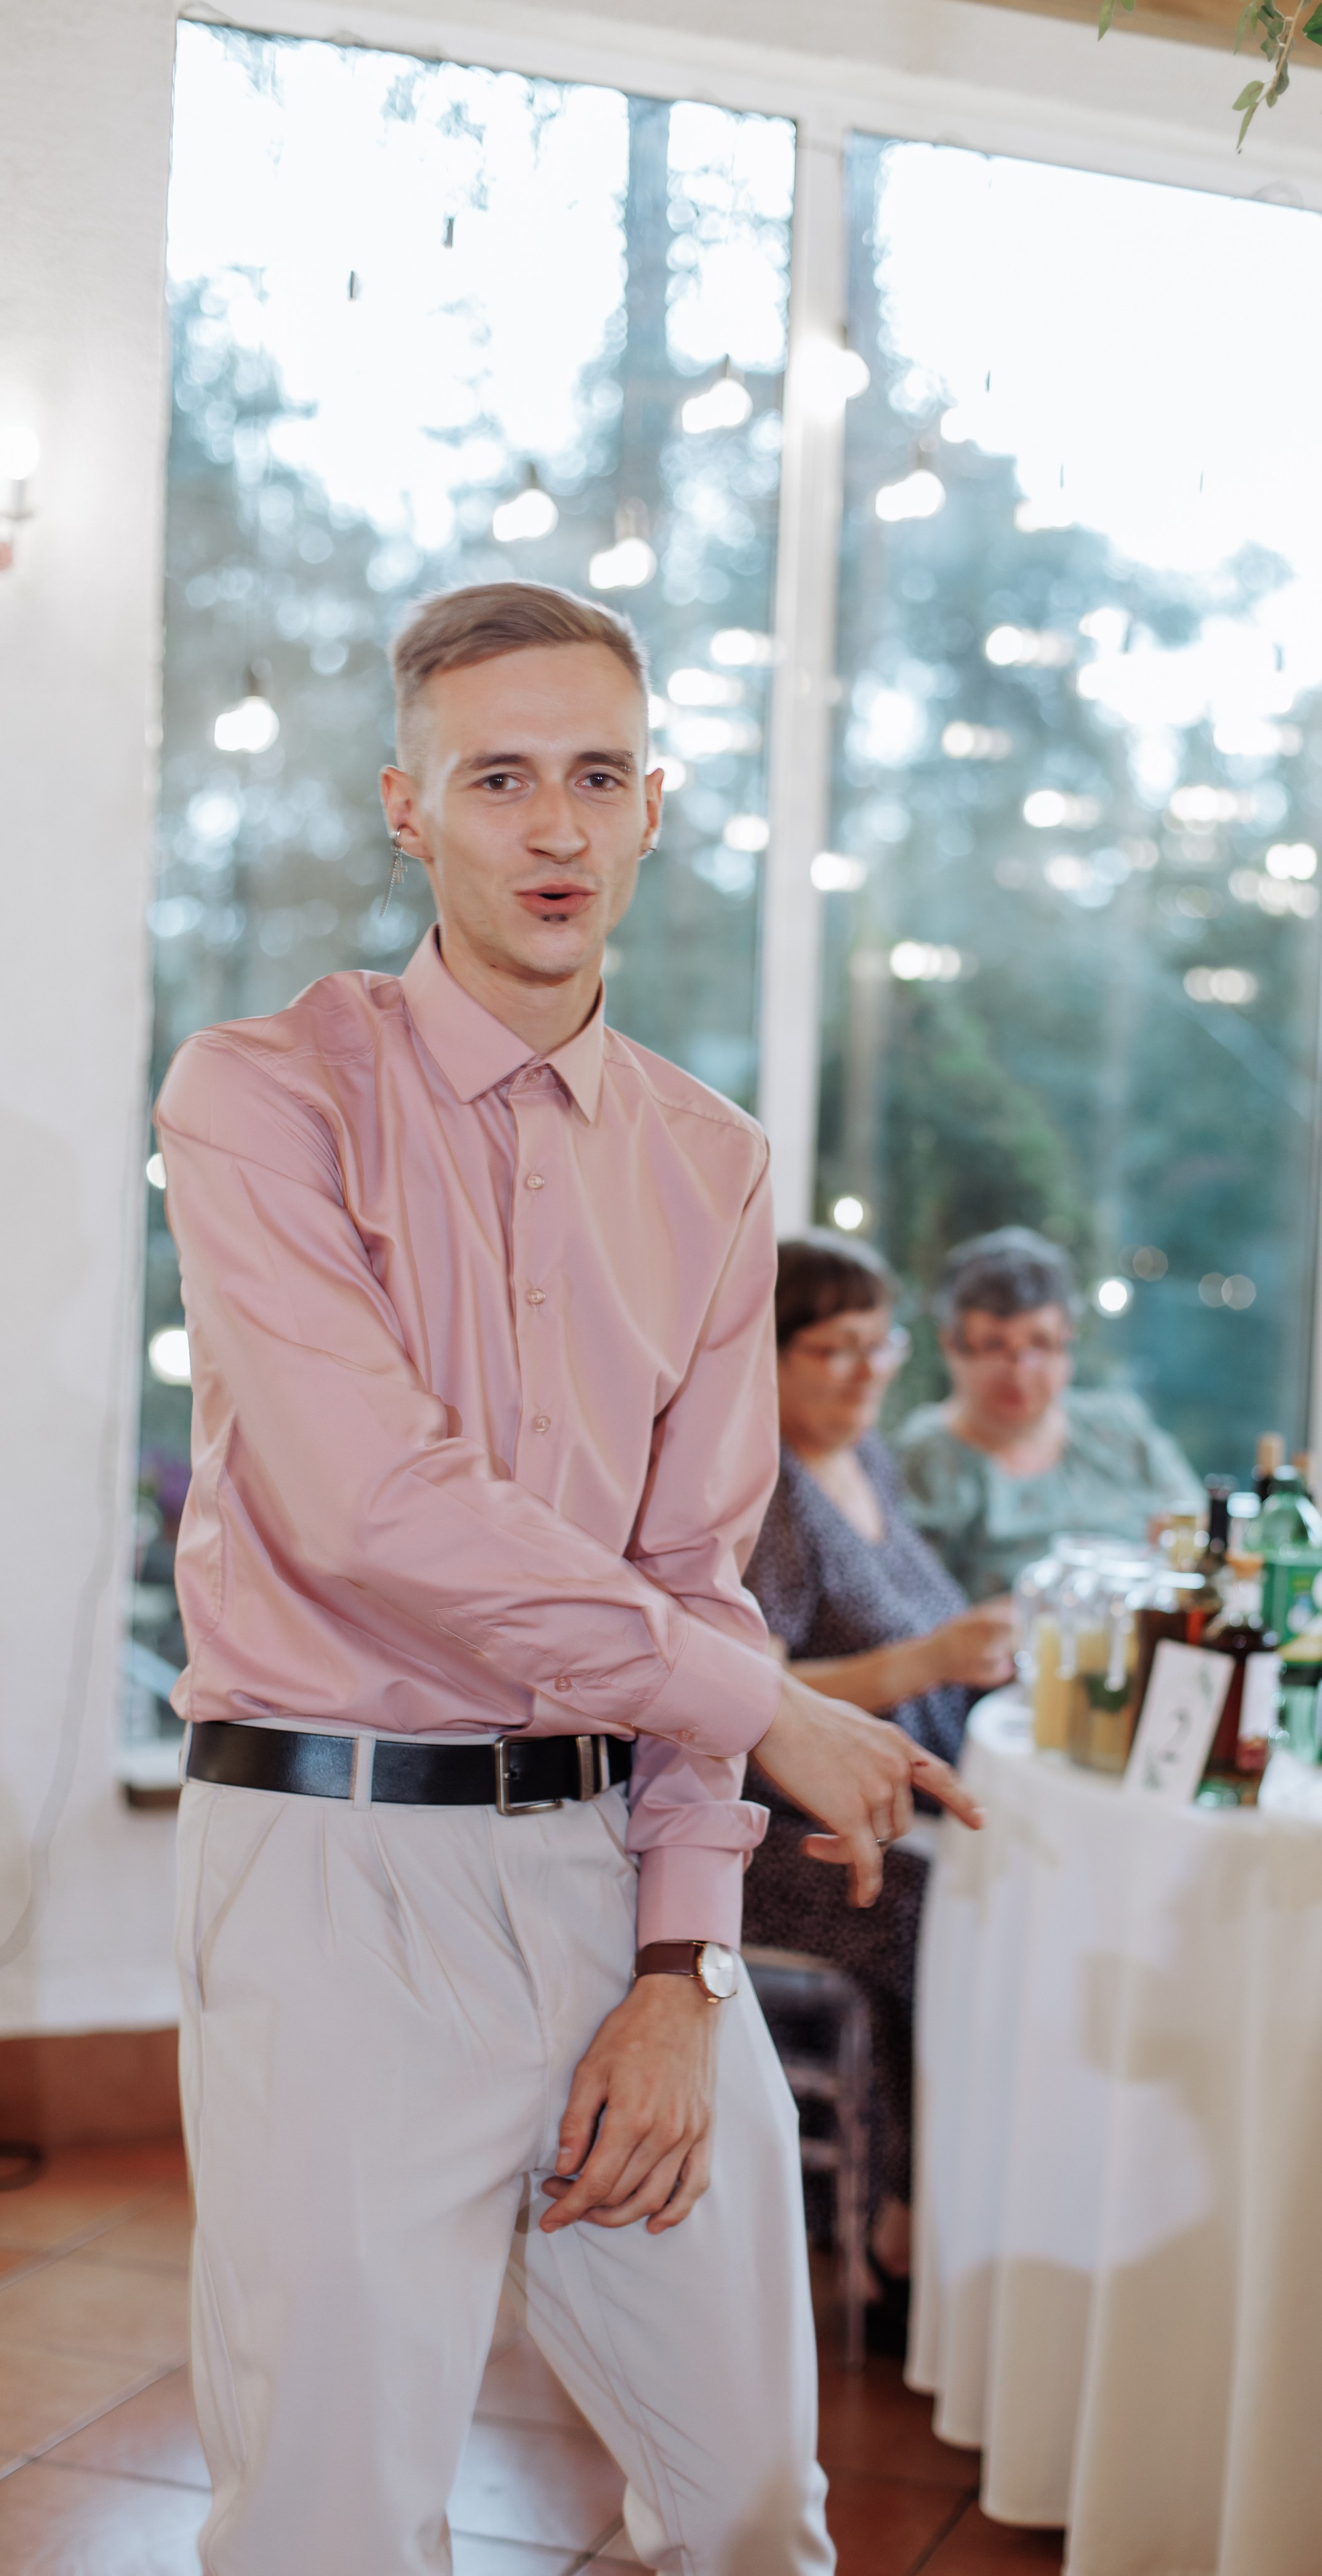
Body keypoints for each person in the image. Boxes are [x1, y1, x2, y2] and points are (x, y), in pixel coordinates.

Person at [153, 579, 980, 2576]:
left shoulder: (709, 1162)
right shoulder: (263, 1092)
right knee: (333, 2524)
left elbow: (698, 1567)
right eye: (500, 776)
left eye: (596, 776)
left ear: (654, 810)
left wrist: (685, 1964)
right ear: (406, 808)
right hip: (335, 1879)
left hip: (611, 1874)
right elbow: (382, 1510)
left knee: (746, 2510)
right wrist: (761, 1708)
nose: (553, 826)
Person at [740, 1234, 1015, 2336]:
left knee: (995, 1893)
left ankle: (975, 2203)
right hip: (779, 1827)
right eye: (832, 1350)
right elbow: (751, 1686)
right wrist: (925, 1664)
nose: (863, 1375)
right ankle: (898, 2227)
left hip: (882, 1800)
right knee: (920, 1912)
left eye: (878, 1347)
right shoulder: (765, 1492)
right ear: (761, 1355)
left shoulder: (870, 1466)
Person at [892, 1225, 1199, 1600]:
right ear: (951, 1346)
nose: (1020, 1371)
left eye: (1039, 1343)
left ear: (1067, 1338)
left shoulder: (1118, 1427)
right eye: (994, 1345)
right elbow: (917, 1614)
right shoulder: (925, 1460)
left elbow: (1196, 1535)